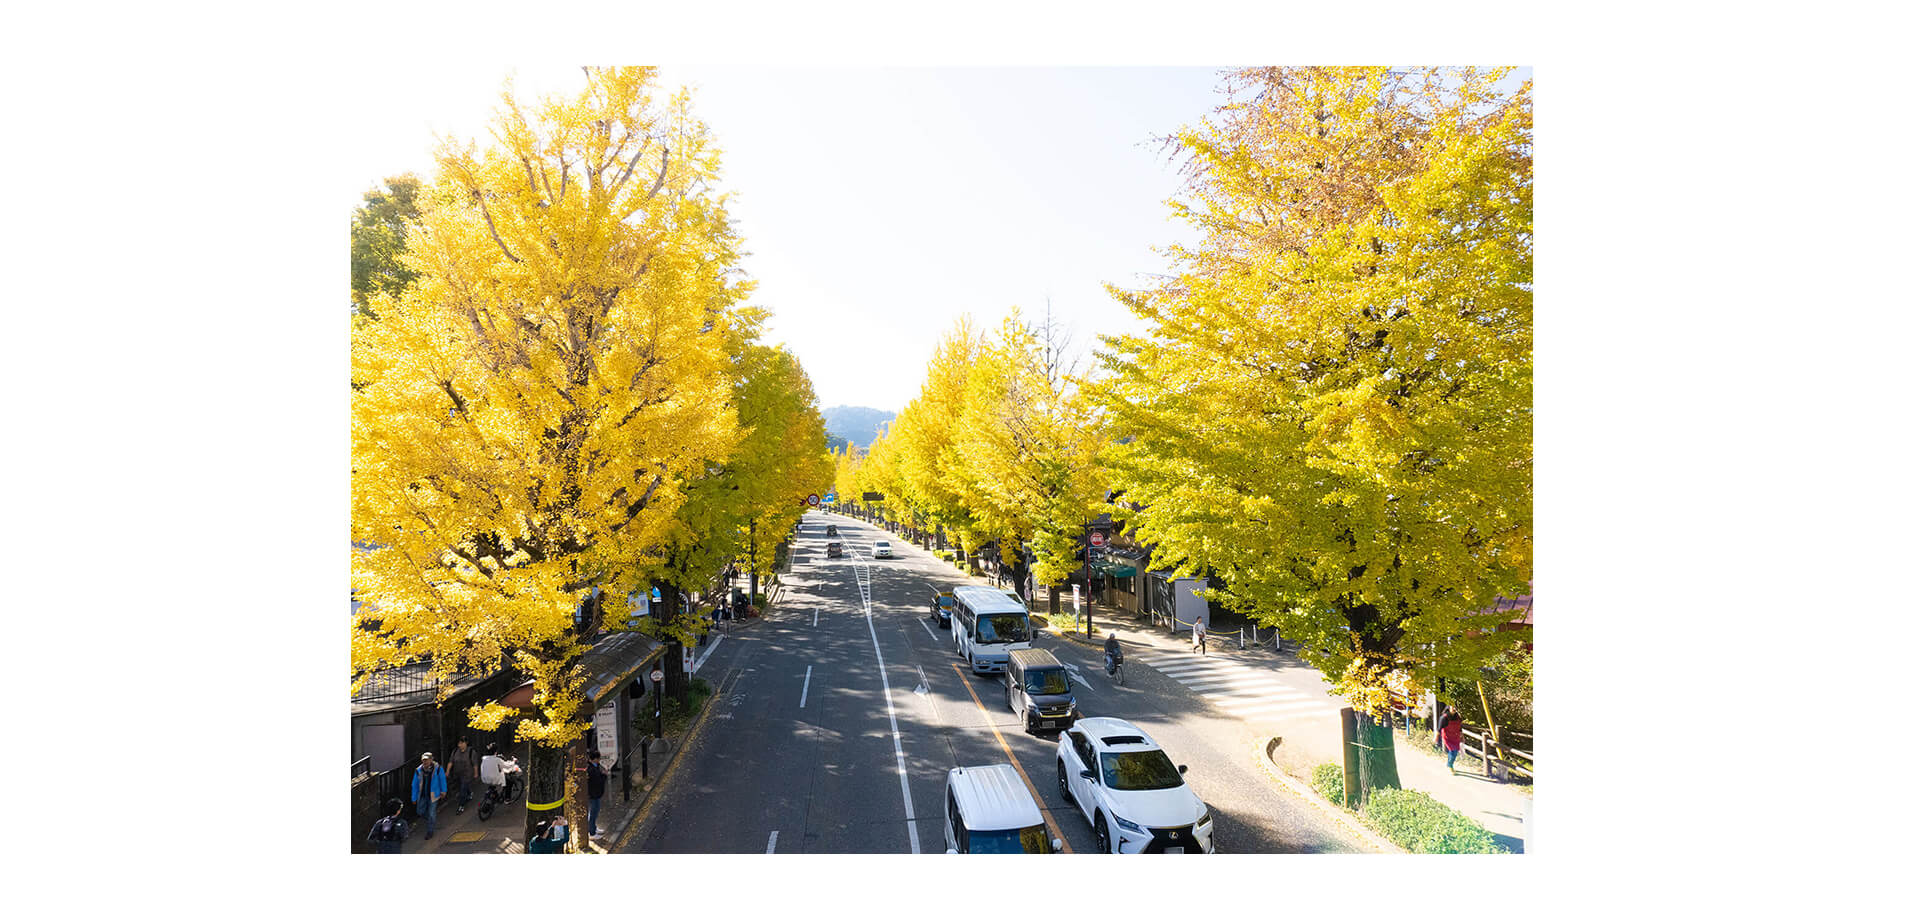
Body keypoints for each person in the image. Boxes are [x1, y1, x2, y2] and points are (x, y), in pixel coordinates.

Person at [412, 751, 447, 839]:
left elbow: (442, 779)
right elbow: (415, 785)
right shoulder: (418, 770)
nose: (425, 762)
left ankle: (430, 831)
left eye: (427, 760)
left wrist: (443, 791)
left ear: (431, 760)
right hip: (423, 795)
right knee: (420, 811)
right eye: (423, 760)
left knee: (431, 813)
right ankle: (432, 821)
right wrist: (414, 797)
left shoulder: (438, 768)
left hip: (433, 795)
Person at [446, 737, 476, 813]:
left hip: (467, 774)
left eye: (462, 743)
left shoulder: (471, 752)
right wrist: (447, 771)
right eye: (459, 743)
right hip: (457, 773)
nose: (460, 745)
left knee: (463, 789)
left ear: (466, 743)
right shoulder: (455, 751)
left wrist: (476, 773)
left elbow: (475, 764)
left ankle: (461, 806)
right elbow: (451, 762)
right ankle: (469, 793)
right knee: (461, 787)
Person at [586, 753, 609, 838]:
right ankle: (592, 833)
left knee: (594, 812)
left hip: (595, 793)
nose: (599, 760)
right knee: (593, 813)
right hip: (594, 794)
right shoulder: (592, 769)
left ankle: (593, 828)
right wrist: (604, 775)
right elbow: (598, 781)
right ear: (594, 759)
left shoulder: (594, 767)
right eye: (598, 759)